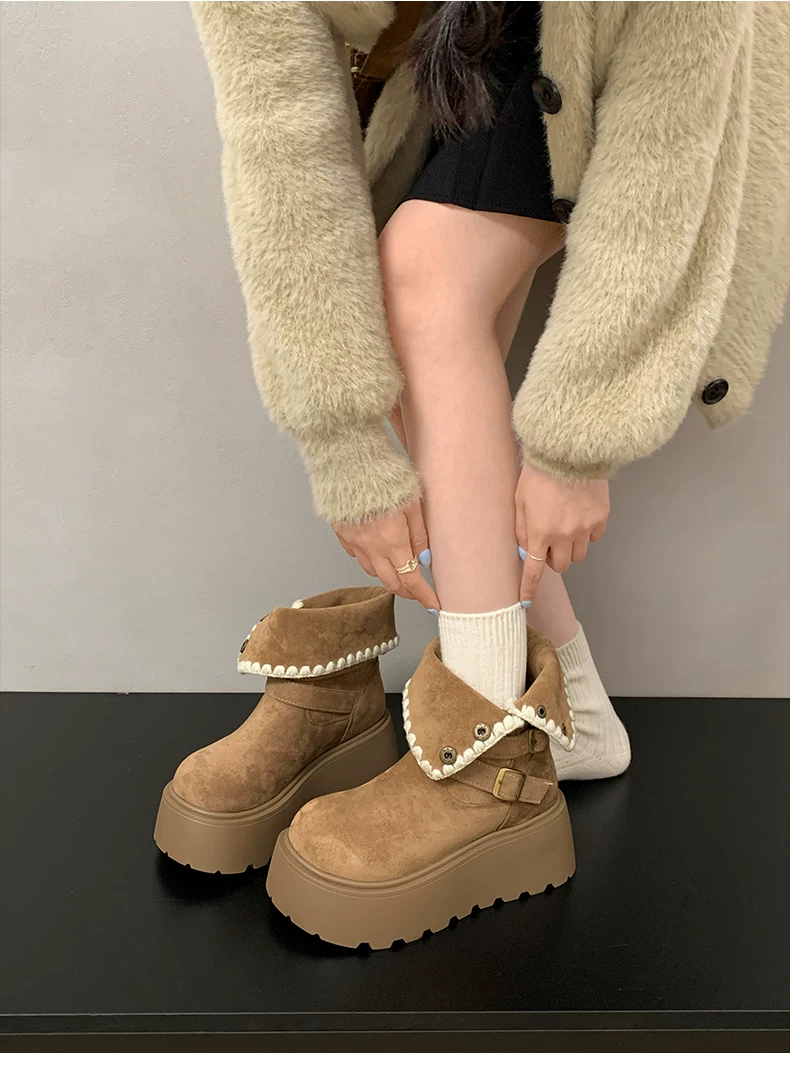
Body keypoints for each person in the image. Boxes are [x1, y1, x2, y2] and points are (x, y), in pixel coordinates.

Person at [154, 2, 790, 948]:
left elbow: (665, 146)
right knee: (406, 305)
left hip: (657, 68)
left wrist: (579, 442)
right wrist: (344, 447)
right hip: (459, 50)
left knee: (425, 275)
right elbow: (281, 146)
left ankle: (493, 752)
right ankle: (569, 715)